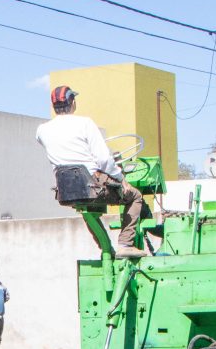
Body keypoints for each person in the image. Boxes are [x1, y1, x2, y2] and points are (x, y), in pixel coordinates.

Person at [35, 85, 145, 258]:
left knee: (86, 206)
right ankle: (125, 244)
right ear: (72, 102)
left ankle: (106, 249)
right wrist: (121, 178)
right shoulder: (85, 123)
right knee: (135, 196)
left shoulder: (42, 130)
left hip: (67, 189)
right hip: (93, 183)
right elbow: (104, 159)